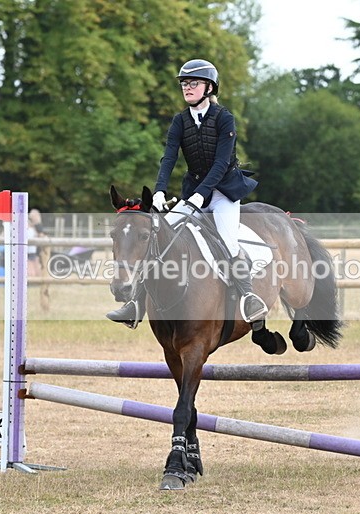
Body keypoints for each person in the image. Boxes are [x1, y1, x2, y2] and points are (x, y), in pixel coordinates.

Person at [107, 59, 267, 327]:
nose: (187, 87)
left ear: (209, 87)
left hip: (223, 193)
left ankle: (249, 296)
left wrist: (199, 196)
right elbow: (168, 158)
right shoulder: (180, 121)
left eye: (193, 83)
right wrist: (159, 192)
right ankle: (135, 304)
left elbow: (220, 164)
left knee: (228, 242)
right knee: (158, 238)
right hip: (192, 193)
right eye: (184, 83)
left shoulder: (224, 118)